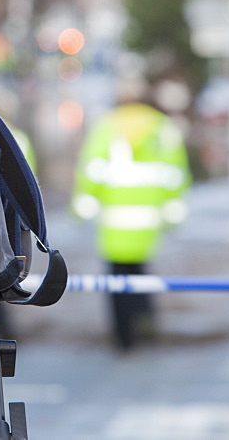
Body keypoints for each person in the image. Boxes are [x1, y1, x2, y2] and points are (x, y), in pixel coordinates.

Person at [69, 87, 191, 350]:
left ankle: (124, 336)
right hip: (149, 221)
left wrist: (83, 205)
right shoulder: (163, 129)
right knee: (141, 275)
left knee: (117, 280)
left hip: (115, 221)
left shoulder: (106, 127)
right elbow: (175, 173)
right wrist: (173, 208)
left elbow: (91, 170)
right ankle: (145, 326)